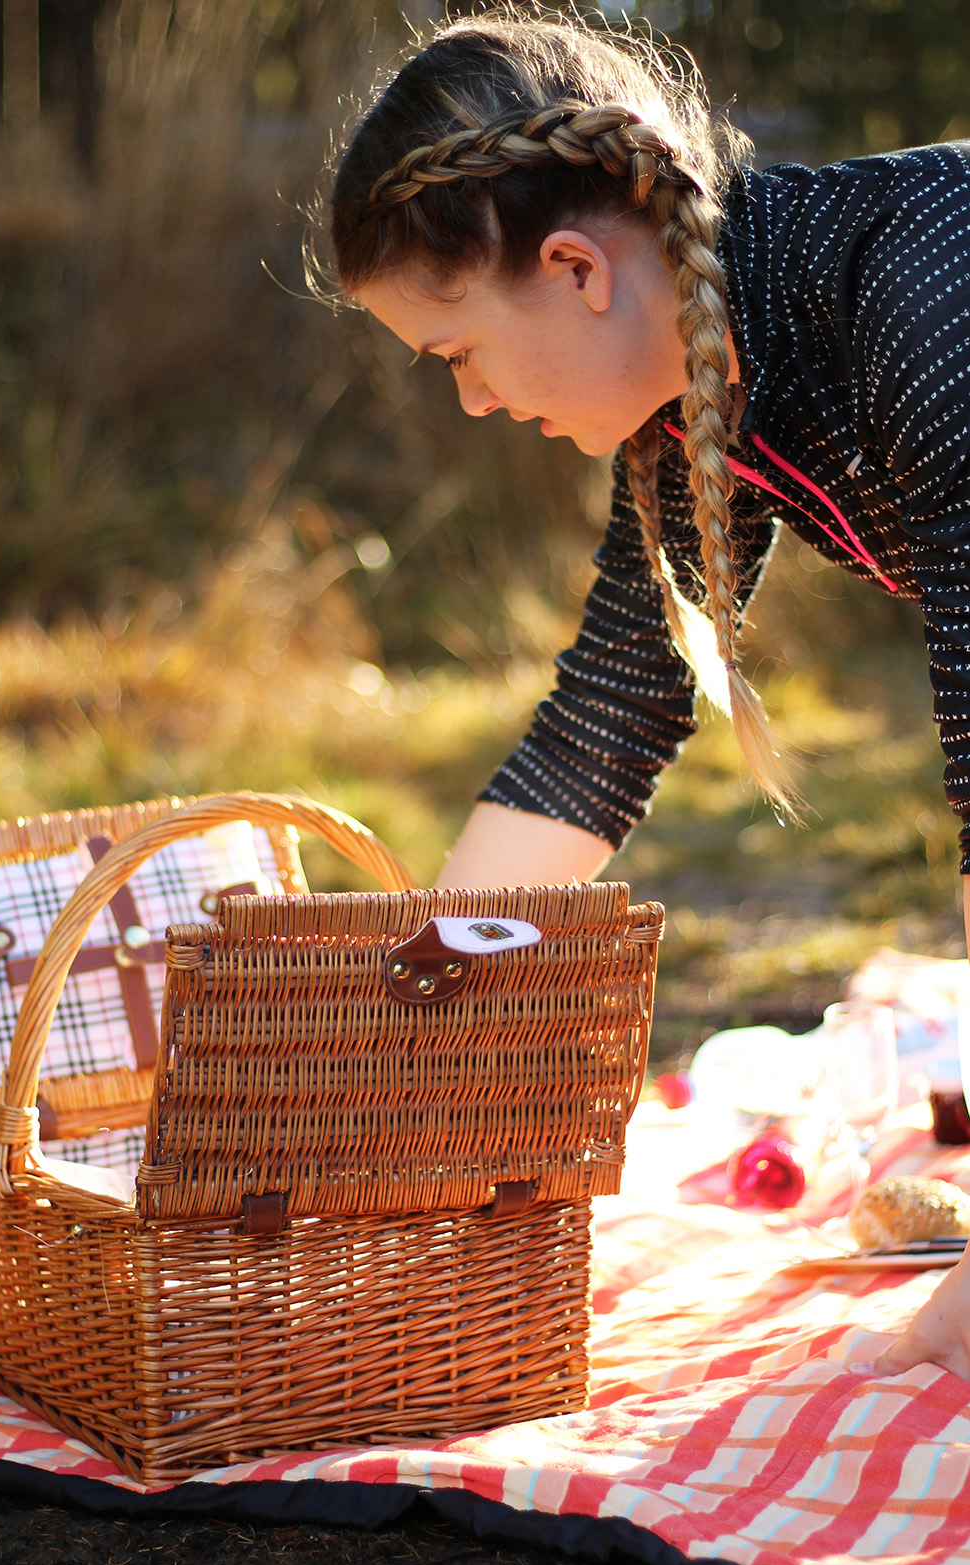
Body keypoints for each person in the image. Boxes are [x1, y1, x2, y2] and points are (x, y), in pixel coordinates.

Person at [325, 11, 970, 1380]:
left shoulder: (920, 303)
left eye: (456, 353)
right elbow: (603, 726)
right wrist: (402, 1064)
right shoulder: (706, 379)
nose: (474, 403)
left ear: (573, 268)